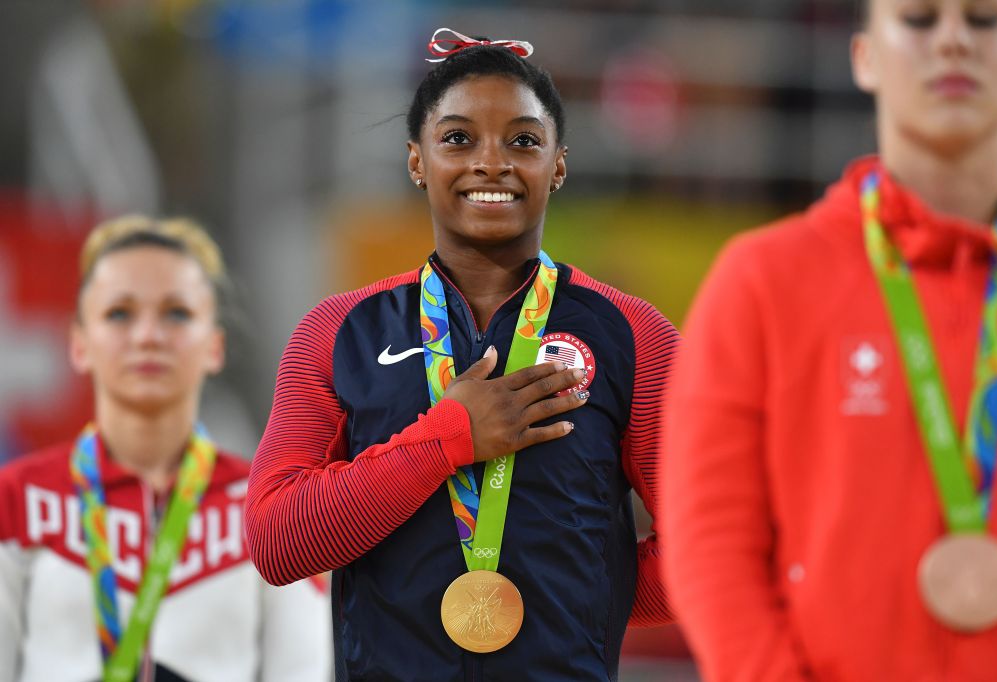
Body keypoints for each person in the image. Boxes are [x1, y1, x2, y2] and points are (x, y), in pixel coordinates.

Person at [245, 28, 679, 681]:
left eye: (524, 141)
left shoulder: (633, 334)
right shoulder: (339, 333)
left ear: (558, 163)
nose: (491, 162)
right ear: (417, 160)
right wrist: (447, 440)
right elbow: (277, 541)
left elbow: (716, 547)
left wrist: (585, 596)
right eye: (457, 139)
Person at [661, 1, 997, 680]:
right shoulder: (764, 281)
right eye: (918, 20)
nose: (953, 41)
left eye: (983, 19)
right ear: (865, 57)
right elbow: (712, 543)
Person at [0, 215, 331, 682]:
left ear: (215, 346)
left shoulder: (278, 507)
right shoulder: (15, 498)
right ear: (78, 344)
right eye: (120, 313)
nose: (148, 336)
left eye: (177, 313)